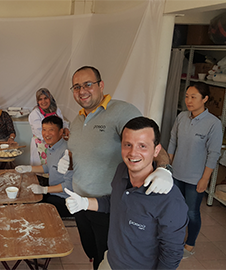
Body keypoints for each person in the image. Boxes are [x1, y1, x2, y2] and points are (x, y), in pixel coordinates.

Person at [62, 66, 174, 269]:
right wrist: (67, 159)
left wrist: (165, 169)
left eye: (88, 84)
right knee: (91, 251)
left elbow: (151, 144)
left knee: (107, 255)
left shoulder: (122, 111)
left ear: (101, 85)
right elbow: (82, 155)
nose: (82, 91)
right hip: (79, 202)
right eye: (76, 87)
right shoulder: (78, 120)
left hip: (107, 205)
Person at [64, 117, 187, 269]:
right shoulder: (121, 170)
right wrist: (84, 202)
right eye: (128, 145)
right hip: (110, 261)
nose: (133, 153)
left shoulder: (170, 199)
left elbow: (172, 253)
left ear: (156, 150)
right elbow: (115, 202)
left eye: (142, 146)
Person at [167, 82, 223, 257]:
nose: (188, 101)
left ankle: (190, 244)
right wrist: (168, 167)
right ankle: (172, 239)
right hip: (176, 173)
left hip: (195, 178)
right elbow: (172, 142)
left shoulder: (213, 123)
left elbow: (213, 154)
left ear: (205, 99)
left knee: (192, 212)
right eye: (186, 96)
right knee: (174, 209)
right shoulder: (182, 117)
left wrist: (205, 179)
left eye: (193, 97)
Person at [17, 116, 74, 217]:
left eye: (51, 130)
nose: (46, 134)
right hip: (53, 193)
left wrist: (44, 189)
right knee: (25, 199)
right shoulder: (52, 147)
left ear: (61, 132)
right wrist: (28, 169)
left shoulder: (67, 152)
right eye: (44, 130)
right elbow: (49, 167)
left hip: (66, 200)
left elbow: (69, 185)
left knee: (31, 212)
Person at [28, 88, 70, 166]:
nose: (43, 102)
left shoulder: (56, 110)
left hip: (56, 143)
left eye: (45, 98)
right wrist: (55, 139)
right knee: (43, 170)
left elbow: (62, 122)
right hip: (41, 144)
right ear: (37, 101)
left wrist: (66, 128)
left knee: (55, 167)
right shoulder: (35, 113)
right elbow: (39, 132)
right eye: (40, 99)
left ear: (50, 98)